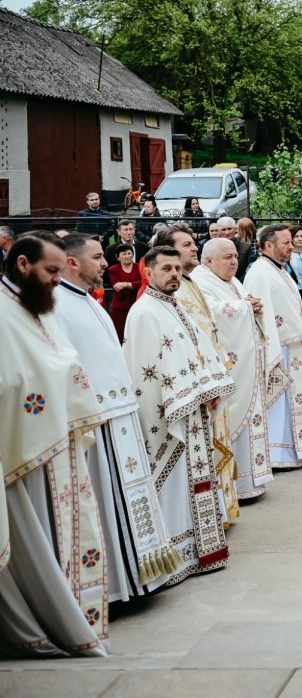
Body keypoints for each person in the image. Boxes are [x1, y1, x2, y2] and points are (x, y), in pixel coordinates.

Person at [53, 234, 181, 604]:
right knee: (106, 502)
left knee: (127, 496)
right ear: (73, 263)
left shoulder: (87, 300)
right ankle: (113, 585)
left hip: (120, 413)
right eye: (97, 257)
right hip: (97, 418)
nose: (104, 264)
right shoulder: (59, 304)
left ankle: (139, 575)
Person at [0, 232, 111, 656]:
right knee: (33, 541)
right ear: (23, 265)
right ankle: (40, 624)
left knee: (62, 537)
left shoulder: (39, 307)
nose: (55, 281)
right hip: (22, 450)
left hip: (58, 444)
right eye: (50, 271)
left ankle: (70, 613)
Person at [122, 246, 234, 587]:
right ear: (148, 273)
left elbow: (198, 352)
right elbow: (145, 372)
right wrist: (186, 399)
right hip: (169, 416)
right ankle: (178, 557)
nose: (174, 274)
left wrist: (211, 388)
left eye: (176, 268)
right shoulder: (144, 313)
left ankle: (204, 552)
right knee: (174, 485)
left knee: (197, 481)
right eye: (166, 268)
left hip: (193, 408)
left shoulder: (174, 305)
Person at [155, 224, 240, 525]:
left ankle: (220, 510)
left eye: (194, 244)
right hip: (197, 382)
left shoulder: (189, 282)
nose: (194, 248)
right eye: (187, 244)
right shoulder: (170, 291)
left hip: (210, 376)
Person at [191, 237, 285, 501]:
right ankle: (237, 486)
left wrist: (249, 304)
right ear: (208, 261)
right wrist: (246, 307)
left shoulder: (231, 280)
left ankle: (252, 481)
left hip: (246, 364)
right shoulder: (200, 280)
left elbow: (242, 303)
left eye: (234, 256)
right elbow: (207, 313)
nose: (234, 261)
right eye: (227, 257)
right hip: (231, 367)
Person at [244, 225, 302, 469]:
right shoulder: (260, 272)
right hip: (278, 347)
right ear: (268, 245)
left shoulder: (280, 269)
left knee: (291, 401)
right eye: (285, 243)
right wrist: (271, 350)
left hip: (291, 343)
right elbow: (261, 315)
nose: (291, 247)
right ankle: (277, 453)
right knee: (279, 402)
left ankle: (296, 447)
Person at [105, 242, 141, 341]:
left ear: (133, 254)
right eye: (124, 254)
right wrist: (134, 285)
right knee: (120, 336)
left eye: (129, 253)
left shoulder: (139, 268)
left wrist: (126, 285)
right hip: (120, 308)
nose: (127, 256)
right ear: (118, 257)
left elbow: (143, 283)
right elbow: (117, 286)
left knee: (136, 335)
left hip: (137, 306)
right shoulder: (113, 269)